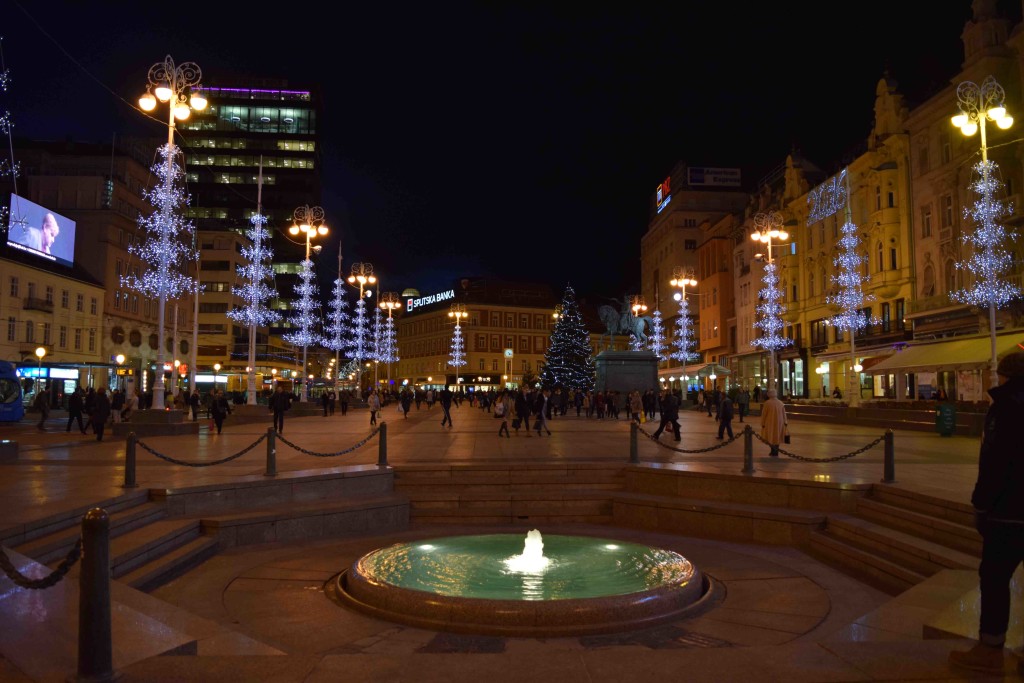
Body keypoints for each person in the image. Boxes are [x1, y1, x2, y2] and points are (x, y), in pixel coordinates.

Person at [948, 351, 1024, 676]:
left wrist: (981, 505)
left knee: (994, 578)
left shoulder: (1005, 407)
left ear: (1005, 376)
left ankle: (990, 649)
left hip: (1008, 512)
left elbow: (994, 461)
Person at [759, 388, 787, 457]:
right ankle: (776, 450)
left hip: (769, 422)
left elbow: (764, 414)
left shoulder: (767, 403)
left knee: (771, 436)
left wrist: (762, 423)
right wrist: (785, 422)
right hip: (780, 422)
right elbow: (784, 414)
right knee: (777, 436)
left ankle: (772, 451)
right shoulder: (781, 403)